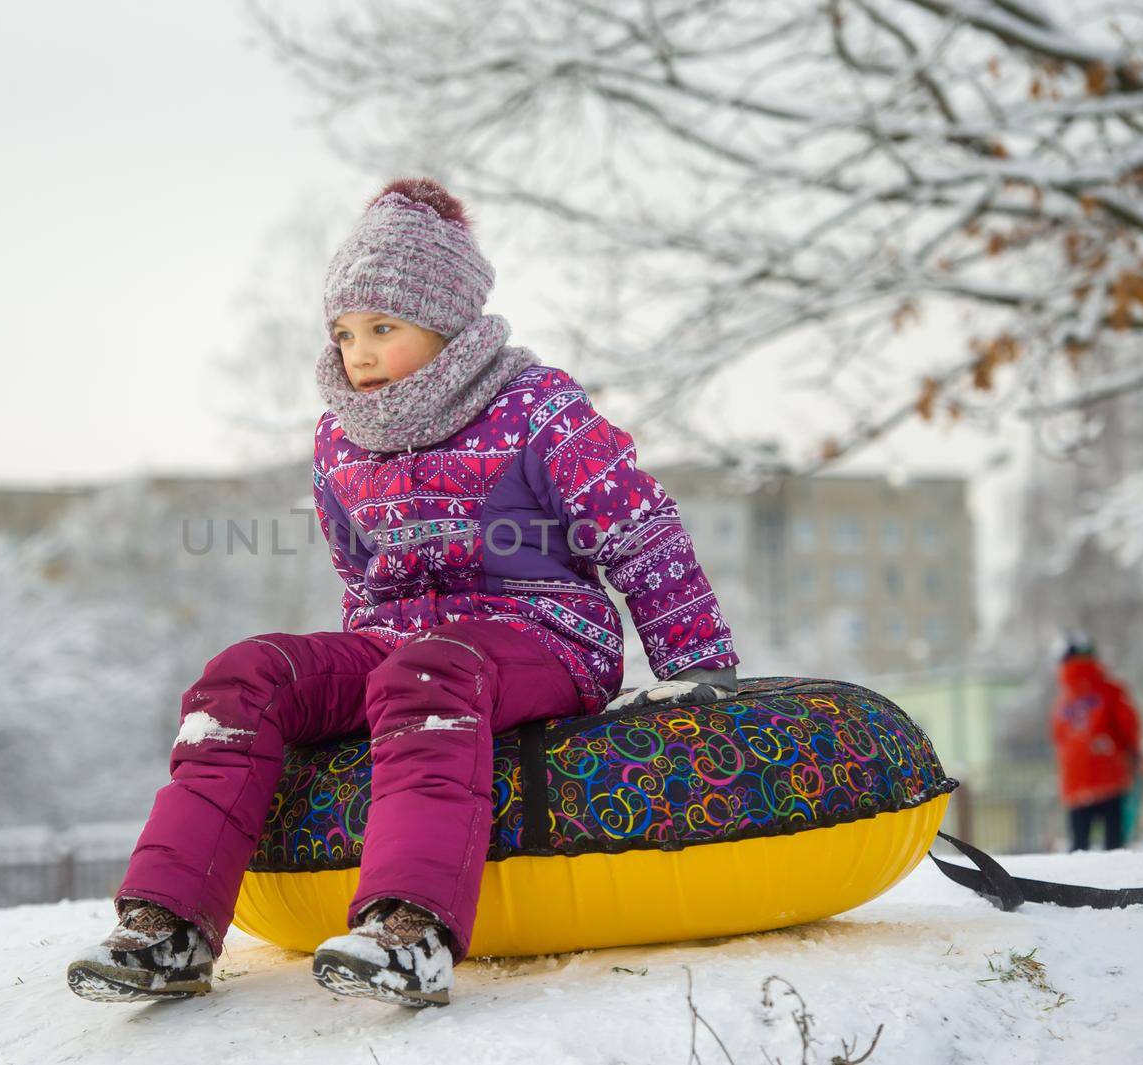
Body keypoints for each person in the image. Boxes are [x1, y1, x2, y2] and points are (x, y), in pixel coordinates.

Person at [66, 178, 740, 1008]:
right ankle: (169, 924)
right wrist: (346, 688)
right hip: (399, 643)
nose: (360, 352)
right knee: (242, 673)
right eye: (346, 332)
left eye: (384, 329)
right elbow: (359, 573)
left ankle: (410, 927)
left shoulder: (538, 408)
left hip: (544, 637)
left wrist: (700, 667)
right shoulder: (340, 438)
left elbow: (641, 530)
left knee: (428, 672)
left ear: (447, 324)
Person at [1050, 633, 1143, 852]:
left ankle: (1074, 883)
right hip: (1108, 775)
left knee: (1079, 846)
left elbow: (1058, 737)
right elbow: (1130, 725)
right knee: (1114, 845)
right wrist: (1133, 755)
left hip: (1075, 781)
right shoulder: (1110, 691)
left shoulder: (1063, 701)